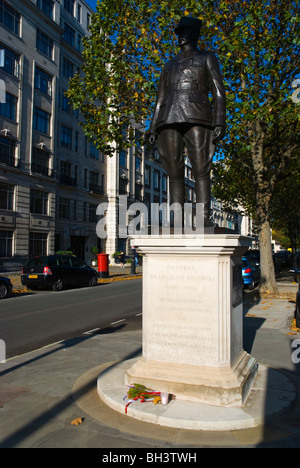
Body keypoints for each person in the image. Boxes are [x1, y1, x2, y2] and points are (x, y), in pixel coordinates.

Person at [148, 16, 226, 228]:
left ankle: (203, 219)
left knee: (201, 168)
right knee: (173, 170)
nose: (180, 35)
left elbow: (218, 92)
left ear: (195, 34)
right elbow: (159, 98)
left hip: (198, 115)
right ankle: (177, 219)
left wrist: (220, 121)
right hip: (169, 117)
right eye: (179, 31)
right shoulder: (169, 64)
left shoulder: (207, 57)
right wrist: (153, 126)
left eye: (185, 31)